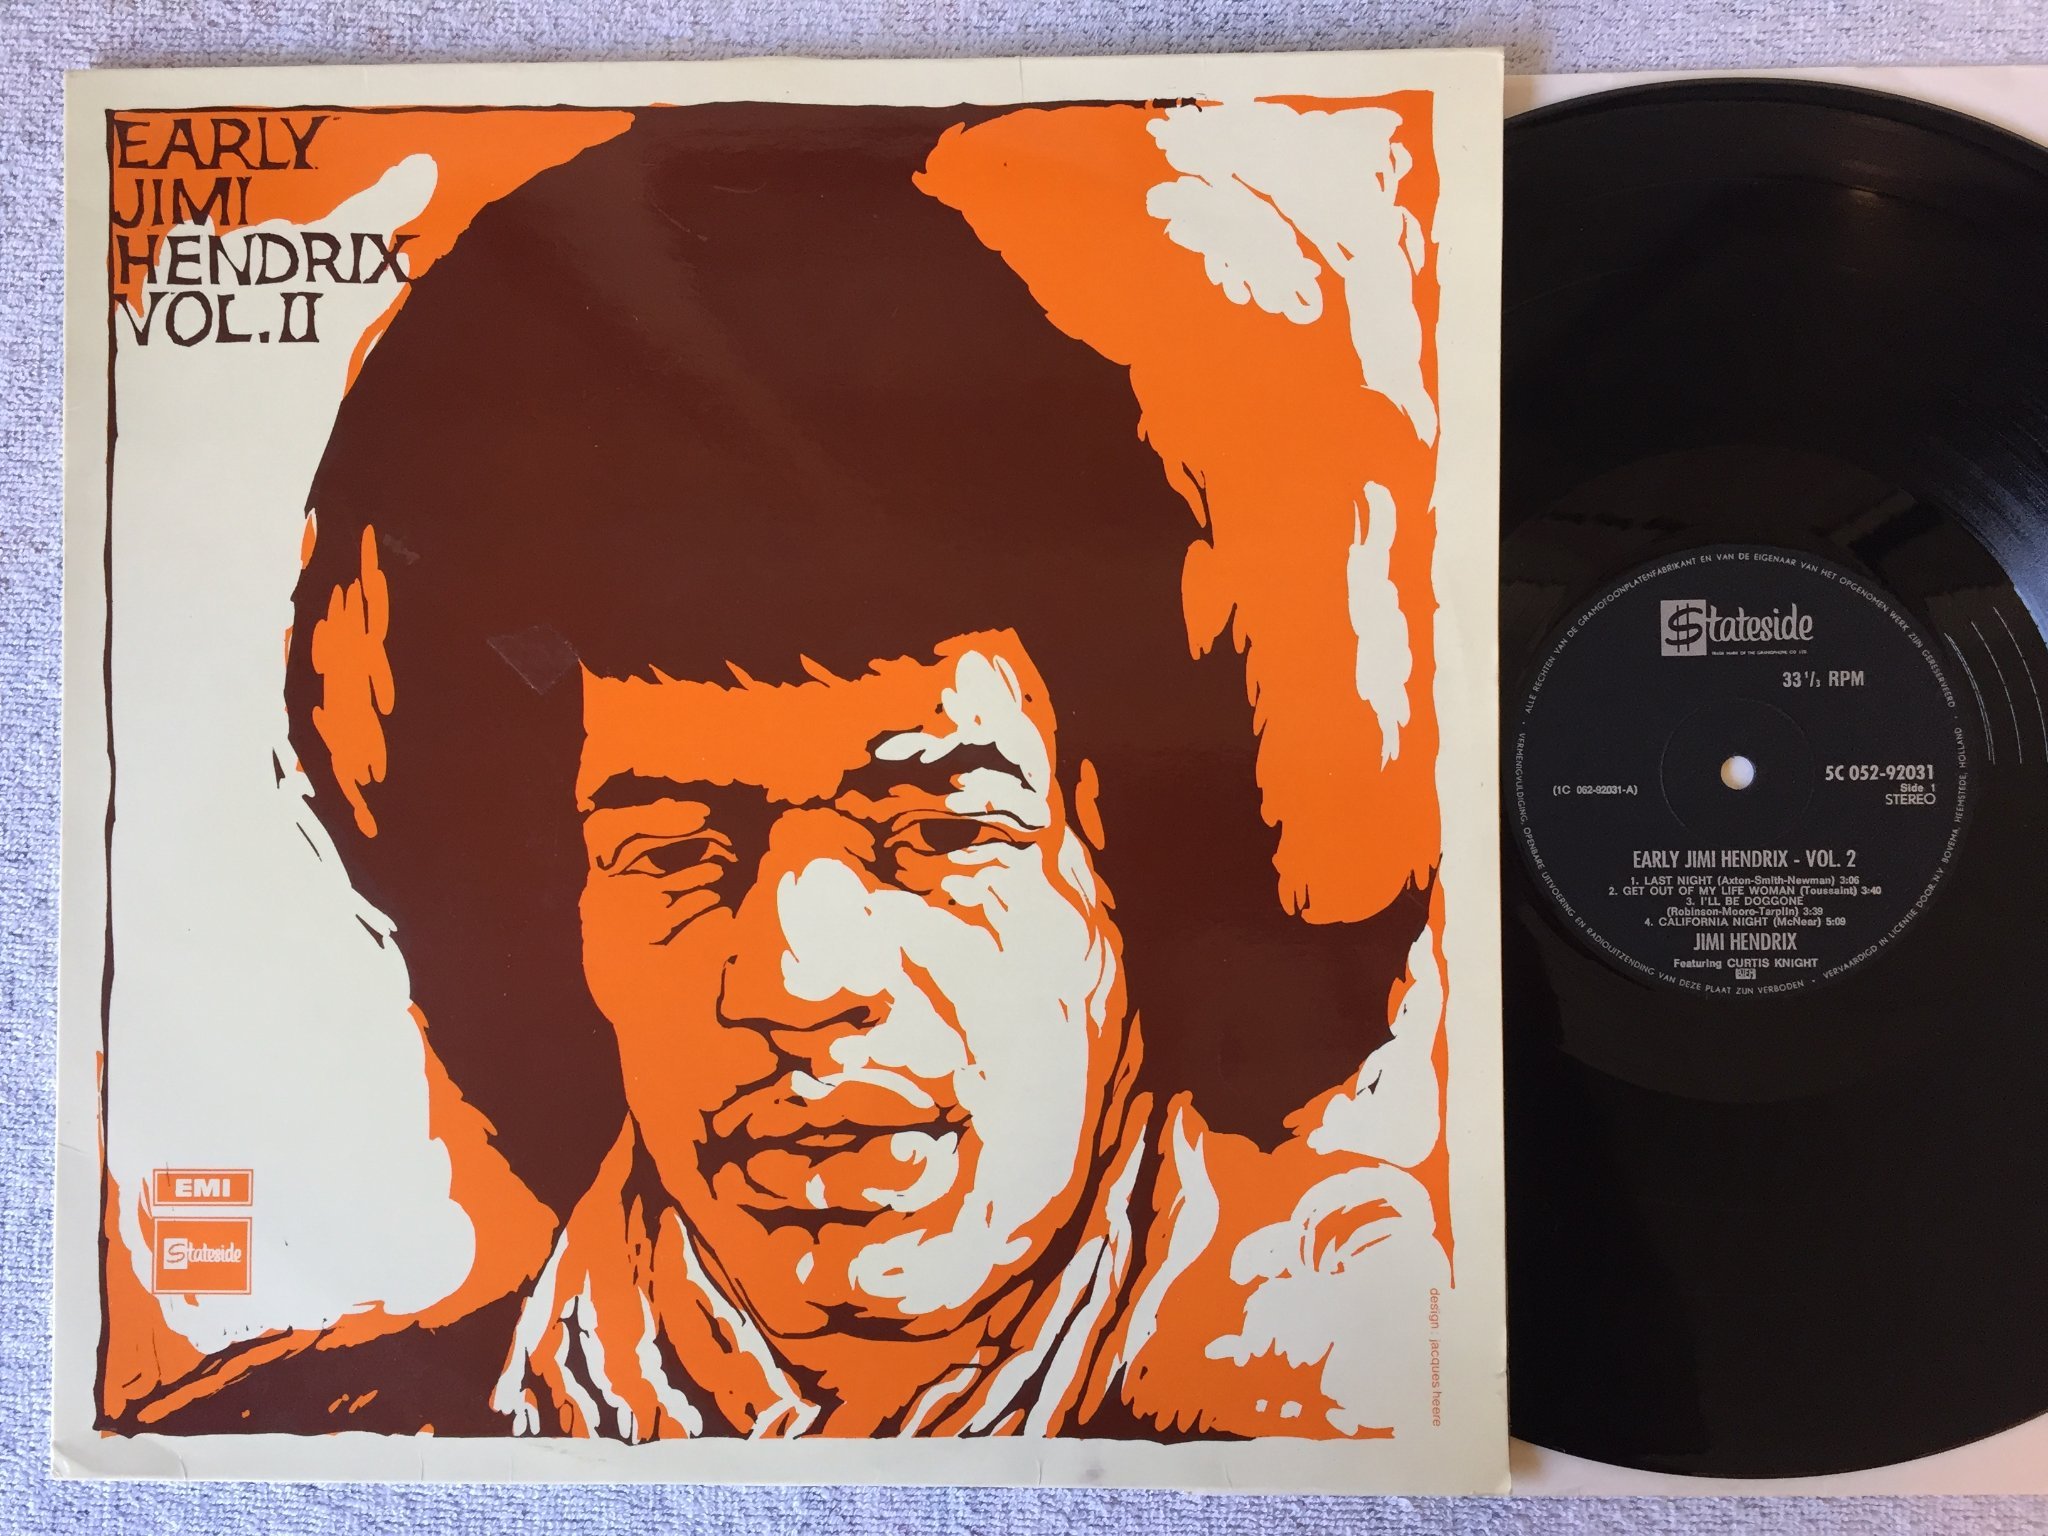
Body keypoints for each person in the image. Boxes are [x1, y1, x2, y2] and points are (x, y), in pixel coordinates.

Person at [126, 103, 1447, 1440]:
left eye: (934, 832)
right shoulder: (275, 1455)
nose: (800, 983)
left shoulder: (1375, 1396)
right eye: (675, 852)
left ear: (1123, 868)